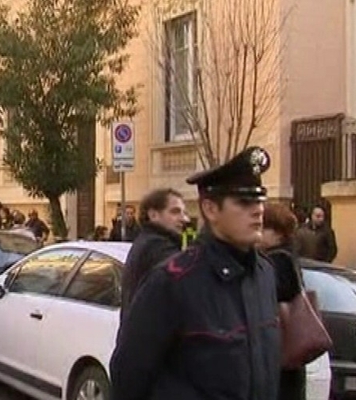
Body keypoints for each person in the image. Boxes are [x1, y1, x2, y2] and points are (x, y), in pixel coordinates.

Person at [110, 146, 280, 400]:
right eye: (244, 202)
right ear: (211, 209)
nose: (257, 211)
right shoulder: (174, 281)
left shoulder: (264, 274)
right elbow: (129, 376)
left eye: (259, 201)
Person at [258, 203, 307, 400]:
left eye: (264, 228)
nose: (258, 233)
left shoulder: (279, 260)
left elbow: (280, 292)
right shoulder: (281, 256)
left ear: (278, 233)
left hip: (283, 348)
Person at [119, 188, 188, 318]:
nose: (184, 219)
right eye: (175, 212)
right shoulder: (158, 247)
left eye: (184, 213)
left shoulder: (147, 241)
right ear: (153, 215)